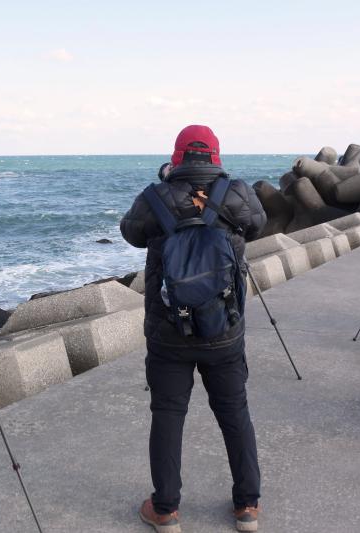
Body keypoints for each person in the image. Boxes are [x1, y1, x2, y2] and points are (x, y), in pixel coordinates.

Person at [121, 125, 267, 532]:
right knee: (235, 412)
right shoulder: (236, 193)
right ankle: (247, 507)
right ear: (216, 157)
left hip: (169, 331)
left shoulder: (154, 197)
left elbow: (130, 232)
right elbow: (257, 224)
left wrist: (168, 185)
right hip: (224, 328)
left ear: (178, 156)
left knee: (168, 415)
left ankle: (165, 510)